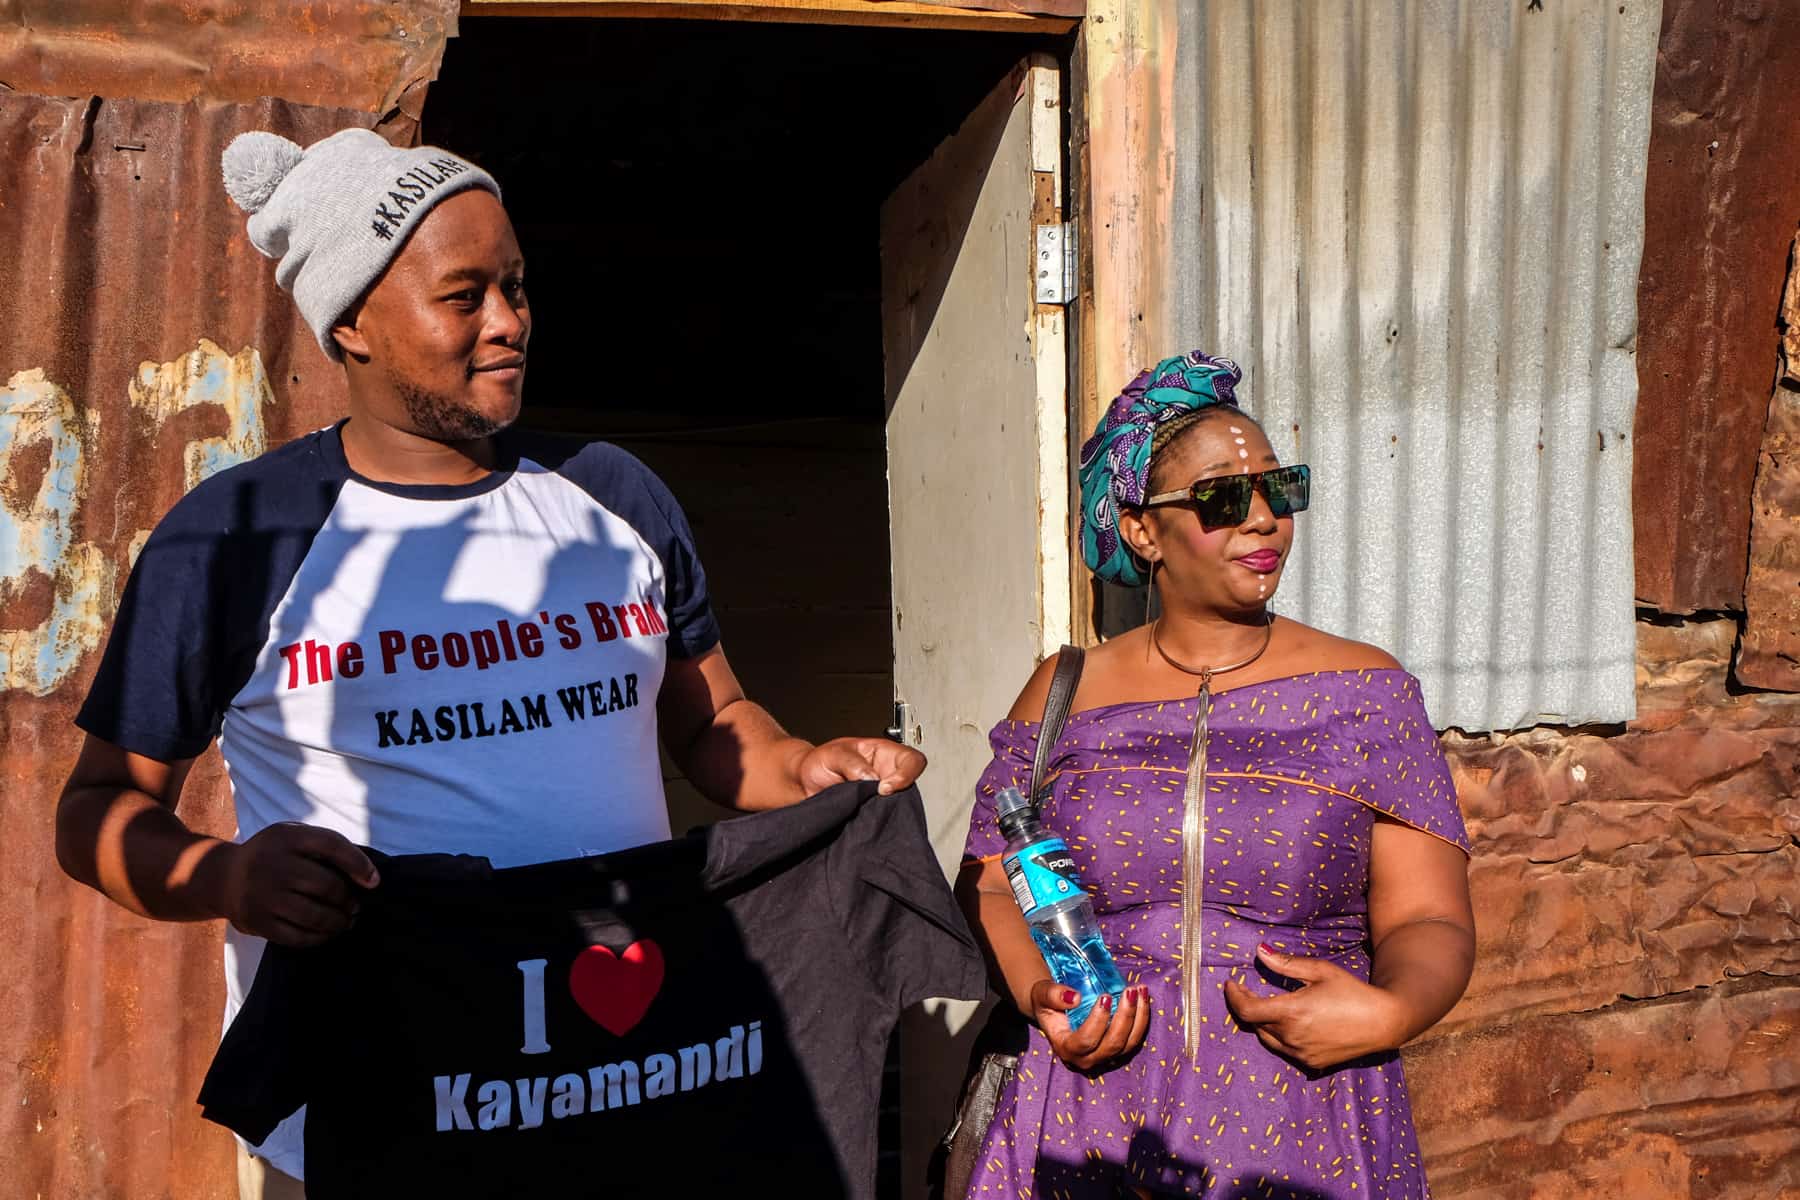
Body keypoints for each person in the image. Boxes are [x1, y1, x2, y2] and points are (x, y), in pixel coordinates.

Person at [53, 128, 923, 1200]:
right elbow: (96, 810)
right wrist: (227, 878)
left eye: (514, 287)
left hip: (633, 1083)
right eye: (463, 296)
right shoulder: (237, 539)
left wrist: (806, 770)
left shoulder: (612, 496)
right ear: (351, 322)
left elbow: (713, 723)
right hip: (377, 1110)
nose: (509, 321)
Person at [953, 352, 1474, 1199]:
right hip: (1084, 1121)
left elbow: (1428, 915)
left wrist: (1393, 1011)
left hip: (1305, 1120)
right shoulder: (1063, 691)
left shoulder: (1365, 693)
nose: (1264, 519)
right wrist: (1041, 995)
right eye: (1225, 498)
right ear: (1142, 531)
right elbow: (991, 883)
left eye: (1282, 488)